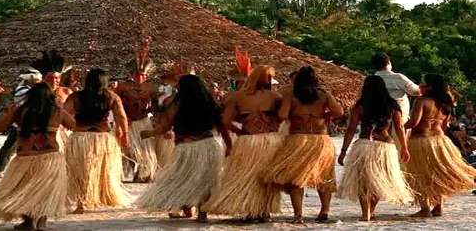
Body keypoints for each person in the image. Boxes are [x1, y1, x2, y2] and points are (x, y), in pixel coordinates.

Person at [0, 82, 75, 231]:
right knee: (46, 191)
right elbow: (73, 125)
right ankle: (41, 223)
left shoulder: (20, 111)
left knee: (22, 190)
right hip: (50, 159)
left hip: (24, 158)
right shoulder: (57, 111)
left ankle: (28, 222)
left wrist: (6, 113)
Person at [137, 74, 232, 223]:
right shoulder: (210, 103)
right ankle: (202, 212)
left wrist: (150, 133)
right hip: (208, 146)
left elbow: (168, 125)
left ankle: (184, 207)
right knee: (205, 180)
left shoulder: (179, 103)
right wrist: (229, 145)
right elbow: (222, 127)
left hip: (186, 148)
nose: (177, 88)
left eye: (179, 85)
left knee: (182, 178)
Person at [263, 66, 343, 224]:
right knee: (324, 175)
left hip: (297, 139)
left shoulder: (291, 95)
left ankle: (298, 214)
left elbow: (282, 114)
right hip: (320, 139)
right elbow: (339, 112)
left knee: (295, 178)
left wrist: (295, 113)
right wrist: (324, 114)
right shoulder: (324, 94)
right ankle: (325, 210)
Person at [203, 65, 284, 223]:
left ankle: (251, 209)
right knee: (266, 176)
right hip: (272, 141)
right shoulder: (276, 97)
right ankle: (264, 210)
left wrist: (238, 131)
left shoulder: (237, 97)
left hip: (248, 141)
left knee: (248, 176)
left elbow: (224, 122)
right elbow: (283, 117)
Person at [337, 75, 413, 221]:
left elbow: (351, 129)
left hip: (364, 145)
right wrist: (404, 147)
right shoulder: (392, 105)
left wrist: (344, 151)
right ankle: (372, 209)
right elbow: (399, 127)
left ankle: (366, 212)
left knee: (363, 180)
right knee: (379, 179)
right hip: (385, 147)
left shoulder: (360, 106)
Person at [404, 74, 476, 218]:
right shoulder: (445, 103)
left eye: (423, 85)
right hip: (441, 141)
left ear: (430, 86)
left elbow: (414, 122)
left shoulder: (421, 101)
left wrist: (399, 126)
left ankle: (424, 208)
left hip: (421, 140)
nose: (420, 87)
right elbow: (445, 126)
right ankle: (438, 207)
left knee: (421, 175)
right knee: (437, 174)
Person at [62, 68, 130, 213]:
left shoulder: (76, 96)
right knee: (98, 171)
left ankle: (82, 202)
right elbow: (121, 117)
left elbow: (64, 114)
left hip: (80, 138)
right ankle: (93, 198)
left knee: (79, 172)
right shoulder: (112, 97)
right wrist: (124, 134)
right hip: (103, 139)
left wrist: (70, 125)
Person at [115, 38, 159, 183]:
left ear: (147, 76)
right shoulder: (122, 87)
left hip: (142, 122)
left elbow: (156, 106)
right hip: (127, 122)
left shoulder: (151, 89)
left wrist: (152, 116)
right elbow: (115, 103)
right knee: (126, 149)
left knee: (144, 149)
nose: (140, 77)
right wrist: (123, 117)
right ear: (132, 74)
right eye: (137, 75)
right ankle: (118, 173)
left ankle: (144, 172)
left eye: (143, 75)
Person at [0, 70, 41, 179]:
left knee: (10, 146)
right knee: (11, 147)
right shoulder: (23, 91)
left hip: (26, 124)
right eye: (36, 80)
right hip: (22, 124)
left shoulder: (28, 90)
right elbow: (21, 108)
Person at [372, 53, 421, 151]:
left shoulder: (372, 79)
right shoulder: (398, 77)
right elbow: (417, 92)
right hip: (399, 115)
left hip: (378, 117)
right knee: (401, 146)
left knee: (381, 147)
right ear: (388, 63)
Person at [29, 50, 74, 154]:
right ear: (43, 78)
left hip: (62, 130)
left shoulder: (66, 92)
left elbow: (74, 111)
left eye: (57, 78)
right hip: (40, 130)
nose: (54, 81)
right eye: (50, 78)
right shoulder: (36, 92)